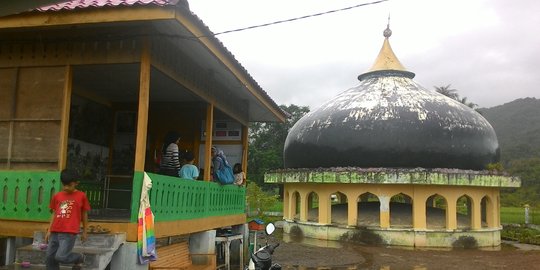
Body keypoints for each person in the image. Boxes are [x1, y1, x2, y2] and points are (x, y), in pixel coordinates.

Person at [45, 169, 91, 270]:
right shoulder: (57, 196)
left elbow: (84, 214)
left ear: (76, 183)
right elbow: (54, 213)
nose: (66, 188)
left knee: (61, 256)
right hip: (55, 231)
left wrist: (85, 231)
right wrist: (49, 230)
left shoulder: (81, 196)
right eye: (64, 185)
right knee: (49, 257)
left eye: (69, 185)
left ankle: (79, 257)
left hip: (69, 233)